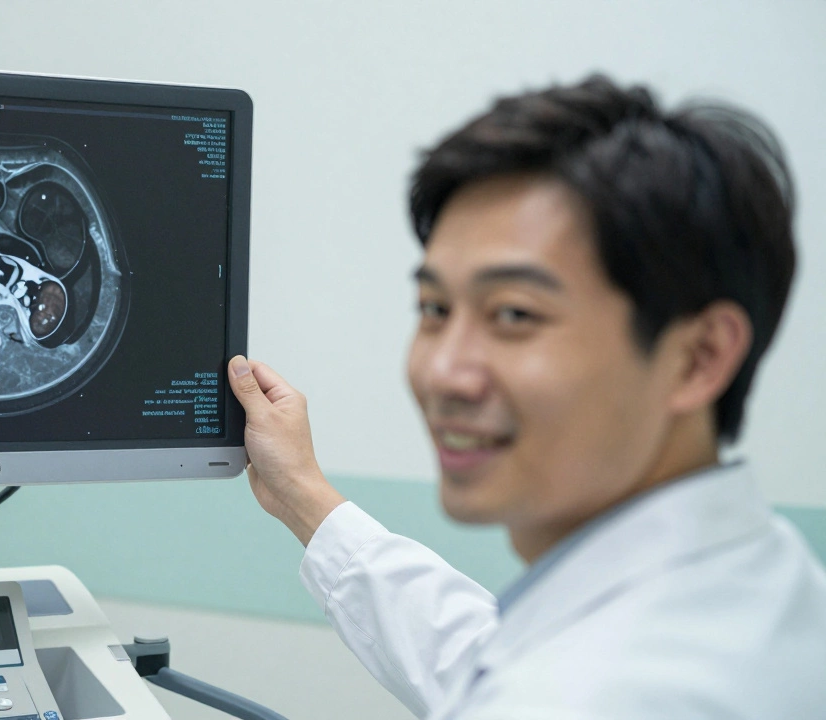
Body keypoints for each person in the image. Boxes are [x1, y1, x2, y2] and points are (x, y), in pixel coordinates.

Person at [227, 76, 826, 719]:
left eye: (513, 314)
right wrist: (301, 495)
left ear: (699, 356)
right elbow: (484, 657)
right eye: (434, 307)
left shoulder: (605, 693)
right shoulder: (765, 580)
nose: (444, 372)